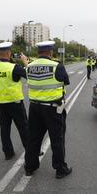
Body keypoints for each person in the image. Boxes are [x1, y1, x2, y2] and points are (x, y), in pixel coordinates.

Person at [24, 41, 72, 179]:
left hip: (34, 108)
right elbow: (65, 82)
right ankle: (60, 169)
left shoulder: (29, 66)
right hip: (52, 109)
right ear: (50, 52)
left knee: (33, 138)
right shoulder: (57, 66)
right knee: (57, 139)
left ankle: (29, 167)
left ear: (38, 52)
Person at [0, 42, 28, 160]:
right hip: (15, 102)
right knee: (23, 128)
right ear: (8, 53)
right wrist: (25, 62)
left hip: (0, 103)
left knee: (4, 129)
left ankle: (8, 153)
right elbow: (30, 75)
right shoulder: (14, 67)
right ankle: (31, 150)